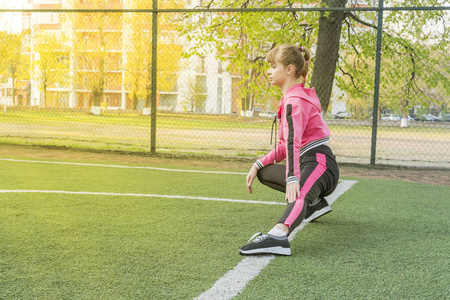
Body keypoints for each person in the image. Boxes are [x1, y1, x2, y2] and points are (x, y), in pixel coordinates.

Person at [240, 44, 340, 256]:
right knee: (265, 171)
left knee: (299, 191)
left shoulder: (295, 101)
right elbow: (284, 145)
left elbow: (293, 142)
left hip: (321, 163)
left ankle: (278, 235)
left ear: (289, 69)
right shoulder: (291, 98)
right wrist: (257, 163)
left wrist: (294, 178)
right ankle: (314, 204)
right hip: (306, 162)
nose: (268, 71)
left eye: (273, 66)